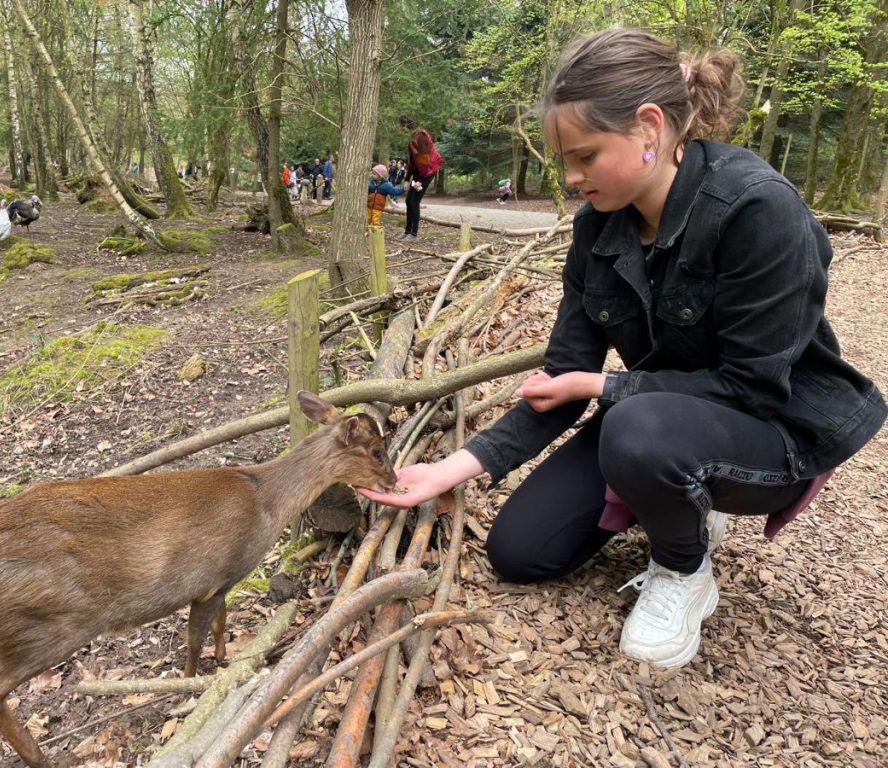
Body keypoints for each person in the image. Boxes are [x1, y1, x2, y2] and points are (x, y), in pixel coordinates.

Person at [359, 28, 886, 669]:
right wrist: (453, 467)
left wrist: (603, 389)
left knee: (636, 429)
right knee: (522, 551)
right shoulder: (598, 228)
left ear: (648, 127)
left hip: (775, 429)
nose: (572, 178)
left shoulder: (757, 210)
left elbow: (752, 387)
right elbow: (563, 377)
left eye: (585, 156)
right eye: (564, 162)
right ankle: (679, 496)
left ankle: (683, 570)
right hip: (661, 419)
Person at [400, 127, 439, 241]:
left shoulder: (420, 137)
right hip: (419, 172)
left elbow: (425, 160)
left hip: (427, 171)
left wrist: (420, 181)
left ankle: (413, 234)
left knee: (415, 201)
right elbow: (412, 161)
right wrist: (407, 179)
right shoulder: (411, 140)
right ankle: (407, 231)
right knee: (408, 200)